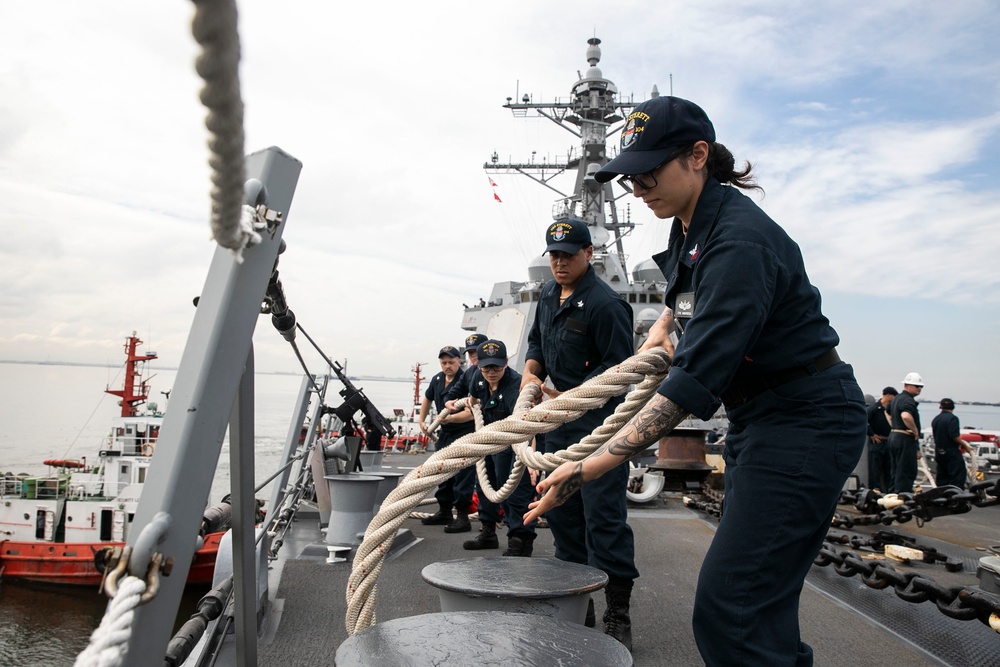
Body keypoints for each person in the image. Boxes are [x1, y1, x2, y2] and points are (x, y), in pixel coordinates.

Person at [525, 95, 866, 666]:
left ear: (698, 156)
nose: (638, 186)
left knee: (732, 609)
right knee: (758, 609)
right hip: (764, 420)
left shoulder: (739, 242)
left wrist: (588, 466)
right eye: (631, 175)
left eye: (650, 171)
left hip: (804, 422)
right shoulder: (690, 224)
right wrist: (661, 328)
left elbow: (690, 385)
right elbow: (681, 302)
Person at [519, 217, 638, 649]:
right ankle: (577, 607)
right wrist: (531, 374)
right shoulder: (549, 294)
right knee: (564, 518)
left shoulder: (607, 305)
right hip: (556, 425)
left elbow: (620, 370)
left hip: (598, 428)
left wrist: (571, 396)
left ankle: (618, 612)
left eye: (568, 255)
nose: (560, 263)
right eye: (554, 255)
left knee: (602, 520)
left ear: (589, 254)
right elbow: (536, 342)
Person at [448, 339, 537, 555]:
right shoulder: (478, 378)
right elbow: (473, 397)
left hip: (515, 444)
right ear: (479, 365)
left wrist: (531, 457)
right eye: (486, 366)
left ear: (506, 363)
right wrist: (460, 402)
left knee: (515, 493)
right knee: (486, 487)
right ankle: (488, 532)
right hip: (488, 441)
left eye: (496, 366)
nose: (491, 372)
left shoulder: (515, 387)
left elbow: (527, 424)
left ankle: (520, 540)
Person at [418, 346, 475, 533]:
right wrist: (421, 419)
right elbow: (427, 398)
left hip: (464, 433)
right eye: (444, 362)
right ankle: (444, 511)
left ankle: (463, 517)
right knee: (443, 473)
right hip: (445, 433)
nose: (447, 366)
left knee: (462, 476)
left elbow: (471, 413)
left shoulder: (466, 380)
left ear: (459, 361)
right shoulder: (437, 379)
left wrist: (449, 418)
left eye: (451, 362)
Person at [888, 372, 924, 493]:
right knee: (906, 470)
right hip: (904, 437)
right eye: (917, 386)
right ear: (907, 385)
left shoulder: (897, 398)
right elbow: (906, 416)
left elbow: (888, 413)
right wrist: (915, 431)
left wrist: (894, 426)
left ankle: (892, 494)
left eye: (920, 387)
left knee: (895, 469)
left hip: (894, 436)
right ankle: (902, 496)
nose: (919, 389)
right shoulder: (907, 400)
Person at [931, 398, 972, 488]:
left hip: (939, 451)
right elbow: (954, 436)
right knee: (958, 475)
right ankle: (955, 496)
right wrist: (965, 445)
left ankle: (941, 496)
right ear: (953, 407)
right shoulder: (953, 418)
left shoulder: (936, 419)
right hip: (951, 451)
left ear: (941, 407)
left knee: (942, 476)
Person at [867, 387, 897, 491]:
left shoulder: (891, 409)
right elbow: (864, 421)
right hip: (877, 442)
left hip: (889, 441)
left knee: (889, 469)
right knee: (875, 469)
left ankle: (889, 490)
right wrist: (871, 434)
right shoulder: (874, 409)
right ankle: (875, 490)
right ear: (888, 395)